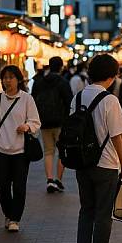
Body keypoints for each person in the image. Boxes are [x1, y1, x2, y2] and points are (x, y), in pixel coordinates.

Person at [72, 54, 122, 243]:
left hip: (81, 163)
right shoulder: (110, 100)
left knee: (86, 209)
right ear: (112, 76)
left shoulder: (77, 98)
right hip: (105, 165)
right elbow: (117, 136)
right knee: (104, 213)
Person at [0, 65, 41, 233]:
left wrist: (27, 126)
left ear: (18, 79)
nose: (7, 81)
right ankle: (8, 213)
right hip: (0, 151)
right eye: (5, 77)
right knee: (3, 186)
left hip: (20, 152)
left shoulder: (27, 99)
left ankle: (14, 219)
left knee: (19, 187)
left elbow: (36, 122)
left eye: (11, 77)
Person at [32, 56, 73, 193]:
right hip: (61, 122)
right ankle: (58, 180)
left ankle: (49, 180)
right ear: (61, 67)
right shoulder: (63, 82)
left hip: (44, 122)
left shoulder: (39, 82)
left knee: (48, 151)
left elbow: (33, 100)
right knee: (62, 152)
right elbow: (69, 102)